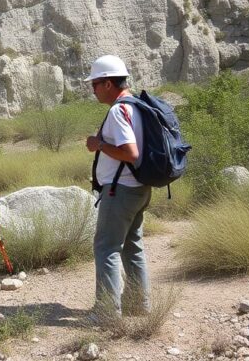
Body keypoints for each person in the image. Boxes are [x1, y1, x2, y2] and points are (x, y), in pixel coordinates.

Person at [83, 54, 151, 321]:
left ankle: (107, 313)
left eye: (95, 84)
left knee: (106, 248)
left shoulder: (117, 111)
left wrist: (98, 145)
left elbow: (131, 153)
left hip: (120, 190)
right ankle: (138, 305)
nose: (94, 90)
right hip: (139, 188)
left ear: (108, 84)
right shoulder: (138, 107)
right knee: (133, 247)